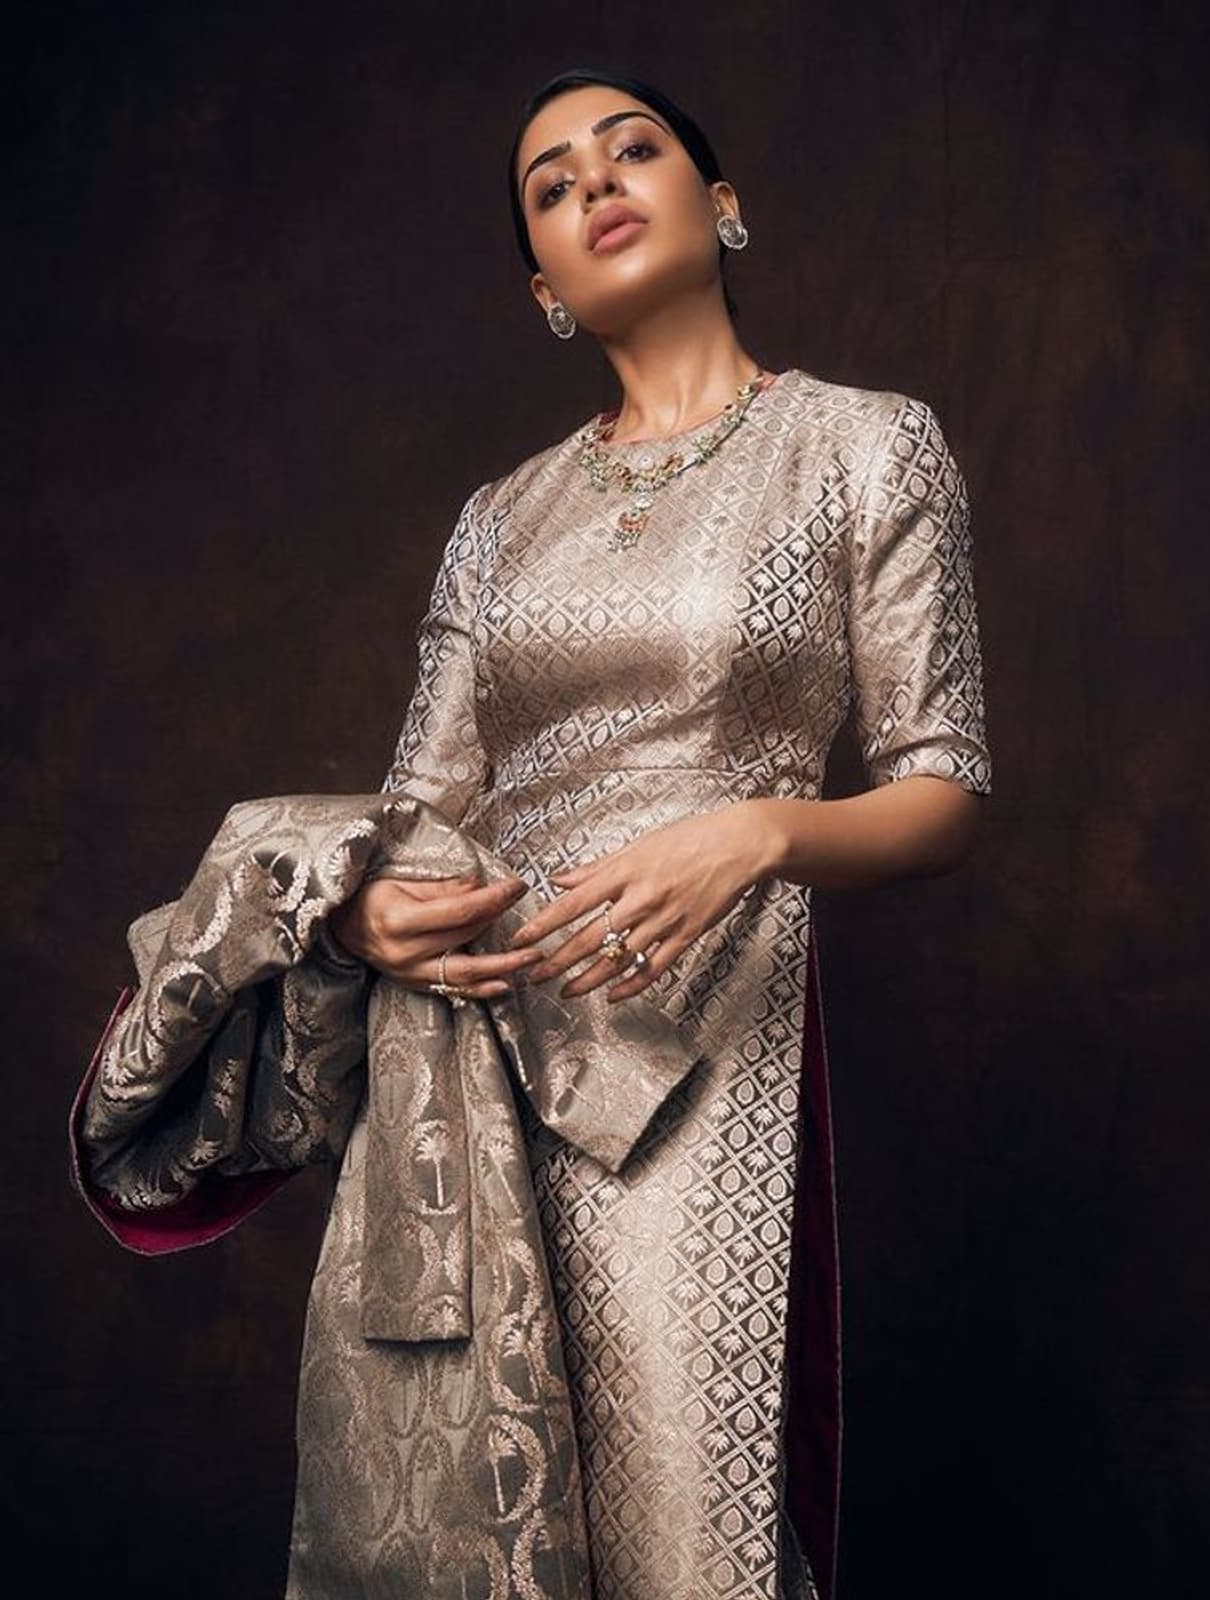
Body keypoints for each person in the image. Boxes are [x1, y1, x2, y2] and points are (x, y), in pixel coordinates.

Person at [322, 65, 994, 1600]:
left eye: (632, 151)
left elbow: (946, 787)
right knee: (476, 1525)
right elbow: (420, 808)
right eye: (553, 187)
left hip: (702, 1048)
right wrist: (370, 913)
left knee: (682, 1522)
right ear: (544, 287)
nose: (596, 186)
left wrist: (758, 833)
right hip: (480, 1053)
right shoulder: (500, 517)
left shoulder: (865, 445)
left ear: (721, 201)